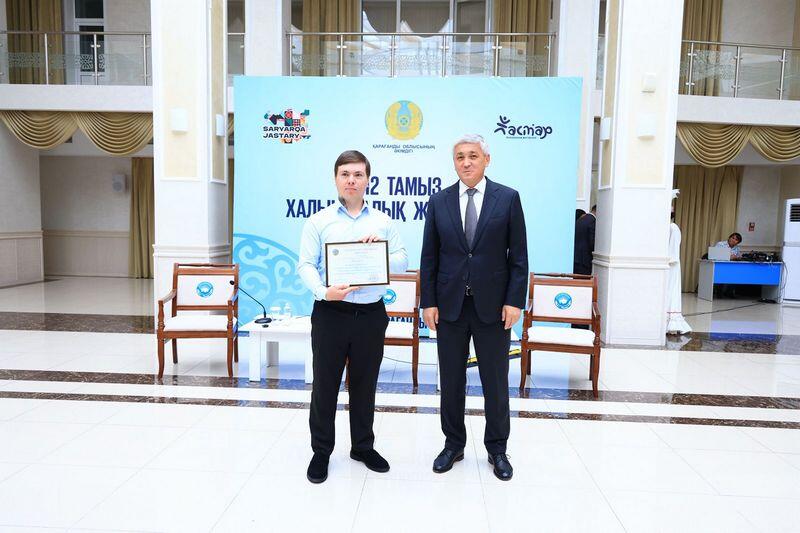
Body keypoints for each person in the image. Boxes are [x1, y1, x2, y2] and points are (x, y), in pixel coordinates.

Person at [420, 134, 528, 481]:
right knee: (451, 381)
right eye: (459, 157)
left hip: (493, 308)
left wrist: (514, 301)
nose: (466, 162)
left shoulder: (507, 198)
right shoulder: (439, 201)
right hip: (449, 307)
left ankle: (497, 448)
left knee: (495, 382)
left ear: (486, 159)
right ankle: (453, 444)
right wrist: (428, 302)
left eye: (473, 155)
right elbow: (429, 257)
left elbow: (519, 257)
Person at [298, 150, 408, 484]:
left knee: (364, 384)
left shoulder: (383, 222)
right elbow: (305, 265)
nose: (351, 180)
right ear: (336, 179)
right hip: (331, 312)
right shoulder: (318, 221)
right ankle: (321, 451)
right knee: (325, 384)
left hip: (371, 314)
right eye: (345, 174)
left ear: (367, 180)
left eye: (358, 174)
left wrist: (381, 250)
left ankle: (362, 447)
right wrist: (323, 291)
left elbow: (402, 260)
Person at [667, 197, 691, 335]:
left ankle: (672, 323)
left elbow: (673, 251)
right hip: (667, 264)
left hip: (671, 265)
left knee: (670, 291)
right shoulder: (668, 228)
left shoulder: (673, 228)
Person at [573, 204, 596, 275]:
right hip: (585, 260)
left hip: (576, 258)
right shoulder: (593, 221)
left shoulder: (580, 219)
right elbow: (592, 243)